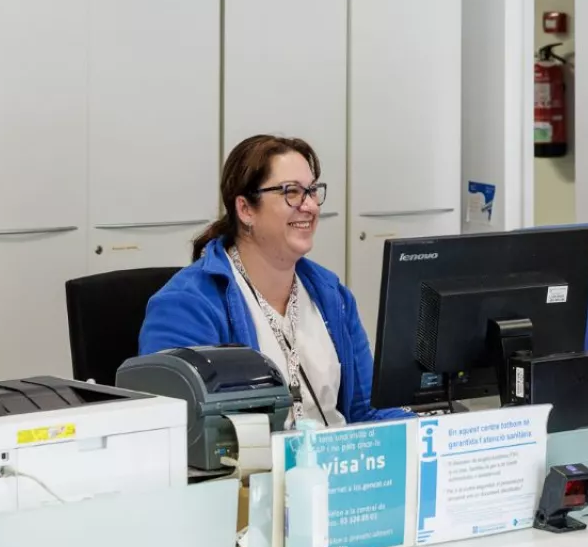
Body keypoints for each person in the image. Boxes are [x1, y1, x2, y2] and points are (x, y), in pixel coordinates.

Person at [139, 135, 407, 426]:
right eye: (291, 192)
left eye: (312, 191)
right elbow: (184, 435)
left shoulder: (333, 296)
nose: (310, 206)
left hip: (337, 464)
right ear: (245, 210)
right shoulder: (187, 305)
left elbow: (369, 411)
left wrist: (430, 432)